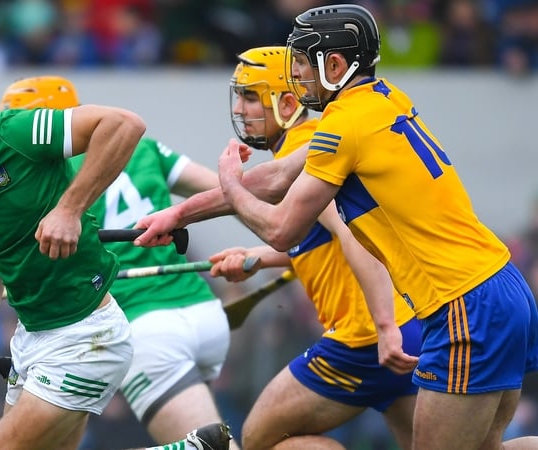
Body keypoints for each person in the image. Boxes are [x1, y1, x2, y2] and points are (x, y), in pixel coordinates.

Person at [137, 5, 538, 449]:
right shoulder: (382, 98)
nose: (299, 76)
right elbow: (275, 178)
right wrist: (179, 214)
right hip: (500, 287)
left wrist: (231, 185)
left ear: (335, 65)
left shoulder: (342, 126)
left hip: (464, 304)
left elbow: (281, 230)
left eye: (304, 65)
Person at [0, 65, 231, 450]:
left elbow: (126, 124)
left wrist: (69, 210)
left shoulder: (14, 132)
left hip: (86, 337)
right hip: (33, 335)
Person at [175, 45, 421, 449]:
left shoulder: (300, 152)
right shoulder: (315, 142)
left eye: (251, 96)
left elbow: (351, 236)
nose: (240, 107)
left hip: (364, 337)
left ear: (287, 103)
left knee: (258, 440)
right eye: (239, 95)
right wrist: (258, 259)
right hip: (410, 329)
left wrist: (382, 327)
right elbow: (323, 242)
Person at [0, 75, 239, 449]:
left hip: (142, 329)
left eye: (13, 122)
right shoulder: (139, 146)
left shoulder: (40, 175)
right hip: (204, 312)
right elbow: (229, 193)